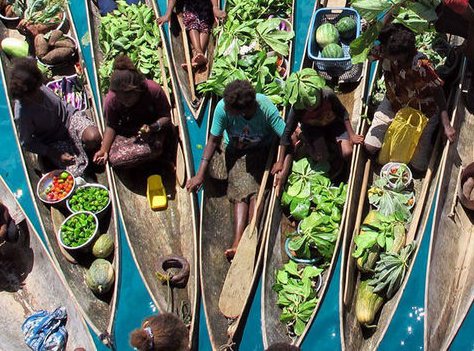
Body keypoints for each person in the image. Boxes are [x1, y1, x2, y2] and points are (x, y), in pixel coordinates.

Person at [185, 79, 285, 259]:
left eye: (229, 108)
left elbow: (286, 136)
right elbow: (213, 141)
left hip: (263, 152)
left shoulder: (264, 108)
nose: (224, 108)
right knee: (239, 190)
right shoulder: (222, 108)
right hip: (237, 153)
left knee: (257, 192)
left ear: (242, 111)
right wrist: (200, 174)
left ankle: (251, 235)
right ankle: (238, 241)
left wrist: (282, 164)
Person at [364, 24, 456, 170]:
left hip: (423, 110)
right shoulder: (384, 50)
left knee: (419, 165)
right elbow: (365, 54)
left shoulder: (421, 65)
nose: (382, 53)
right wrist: (368, 33)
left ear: (401, 54)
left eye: (386, 53)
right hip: (394, 101)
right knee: (370, 147)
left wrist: (446, 125)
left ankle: (430, 138)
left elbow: (438, 92)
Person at [9, 57, 101, 176]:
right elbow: (27, 143)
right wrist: (54, 153)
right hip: (54, 140)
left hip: (69, 117)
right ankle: (75, 156)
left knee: (94, 137)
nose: (40, 90)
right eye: (36, 91)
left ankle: (83, 151)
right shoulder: (23, 114)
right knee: (76, 173)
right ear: (27, 95)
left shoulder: (36, 84)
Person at [280, 69, 363, 177]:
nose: (312, 108)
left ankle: (346, 170)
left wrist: (352, 135)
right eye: (308, 107)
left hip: (334, 124)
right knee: (320, 157)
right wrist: (280, 162)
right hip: (313, 130)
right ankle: (302, 134)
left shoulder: (328, 95)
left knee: (347, 152)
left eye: (315, 105)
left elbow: (343, 113)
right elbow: (286, 134)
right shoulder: (298, 108)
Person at [95, 55, 172, 168]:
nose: (124, 102)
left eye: (127, 98)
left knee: (157, 145)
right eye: (120, 99)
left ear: (137, 90)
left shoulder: (152, 90)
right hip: (130, 132)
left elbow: (166, 117)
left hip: (155, 128)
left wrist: (152, 128)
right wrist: (104, 150)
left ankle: (160, 158)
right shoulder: (111, 100)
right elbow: (111, 126)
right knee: (116, 159)